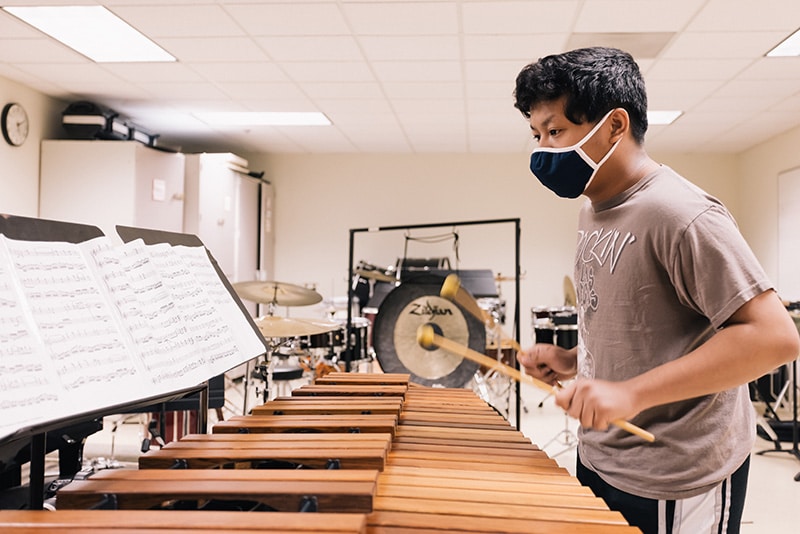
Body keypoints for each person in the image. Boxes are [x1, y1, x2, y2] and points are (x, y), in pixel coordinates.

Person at [513, 46, 800, 534]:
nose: (542, 148)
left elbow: (774, 337)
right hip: (602, 456)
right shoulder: (594, 207)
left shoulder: (681, 213)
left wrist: (630, 393)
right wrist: (574, 361)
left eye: (555, 131)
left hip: (676, 474)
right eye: (536, 134)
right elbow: (641, 322)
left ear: (615, 126)